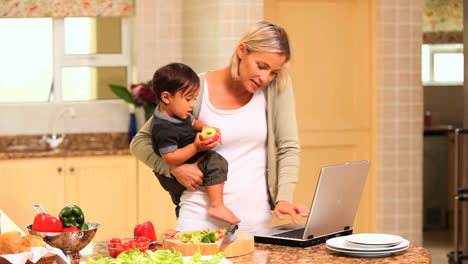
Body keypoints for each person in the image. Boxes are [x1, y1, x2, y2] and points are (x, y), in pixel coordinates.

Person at [131, 21, 309, 233]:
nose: (265, 78)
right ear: (242, 50)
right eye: (261, 66)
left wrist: (284, 198)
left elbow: (288, 147)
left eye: (273, 72)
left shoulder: (275, 89)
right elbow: (139, 142)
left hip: (256, 222)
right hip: (198, 220)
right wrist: (172, 168)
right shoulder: (195, 88)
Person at [150, 62, 240, 225]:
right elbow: (170, 158)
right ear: (166, 97)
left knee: (180, 203)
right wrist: (196, 147)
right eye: (188, 98)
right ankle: (216, 205)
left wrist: (205, 127)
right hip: (176, 171)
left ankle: (183, 212)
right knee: (216, 162)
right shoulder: (163, 128)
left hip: (184, 163)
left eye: (195, 99)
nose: (193, 104)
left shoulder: (176, 112)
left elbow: (192, 123)